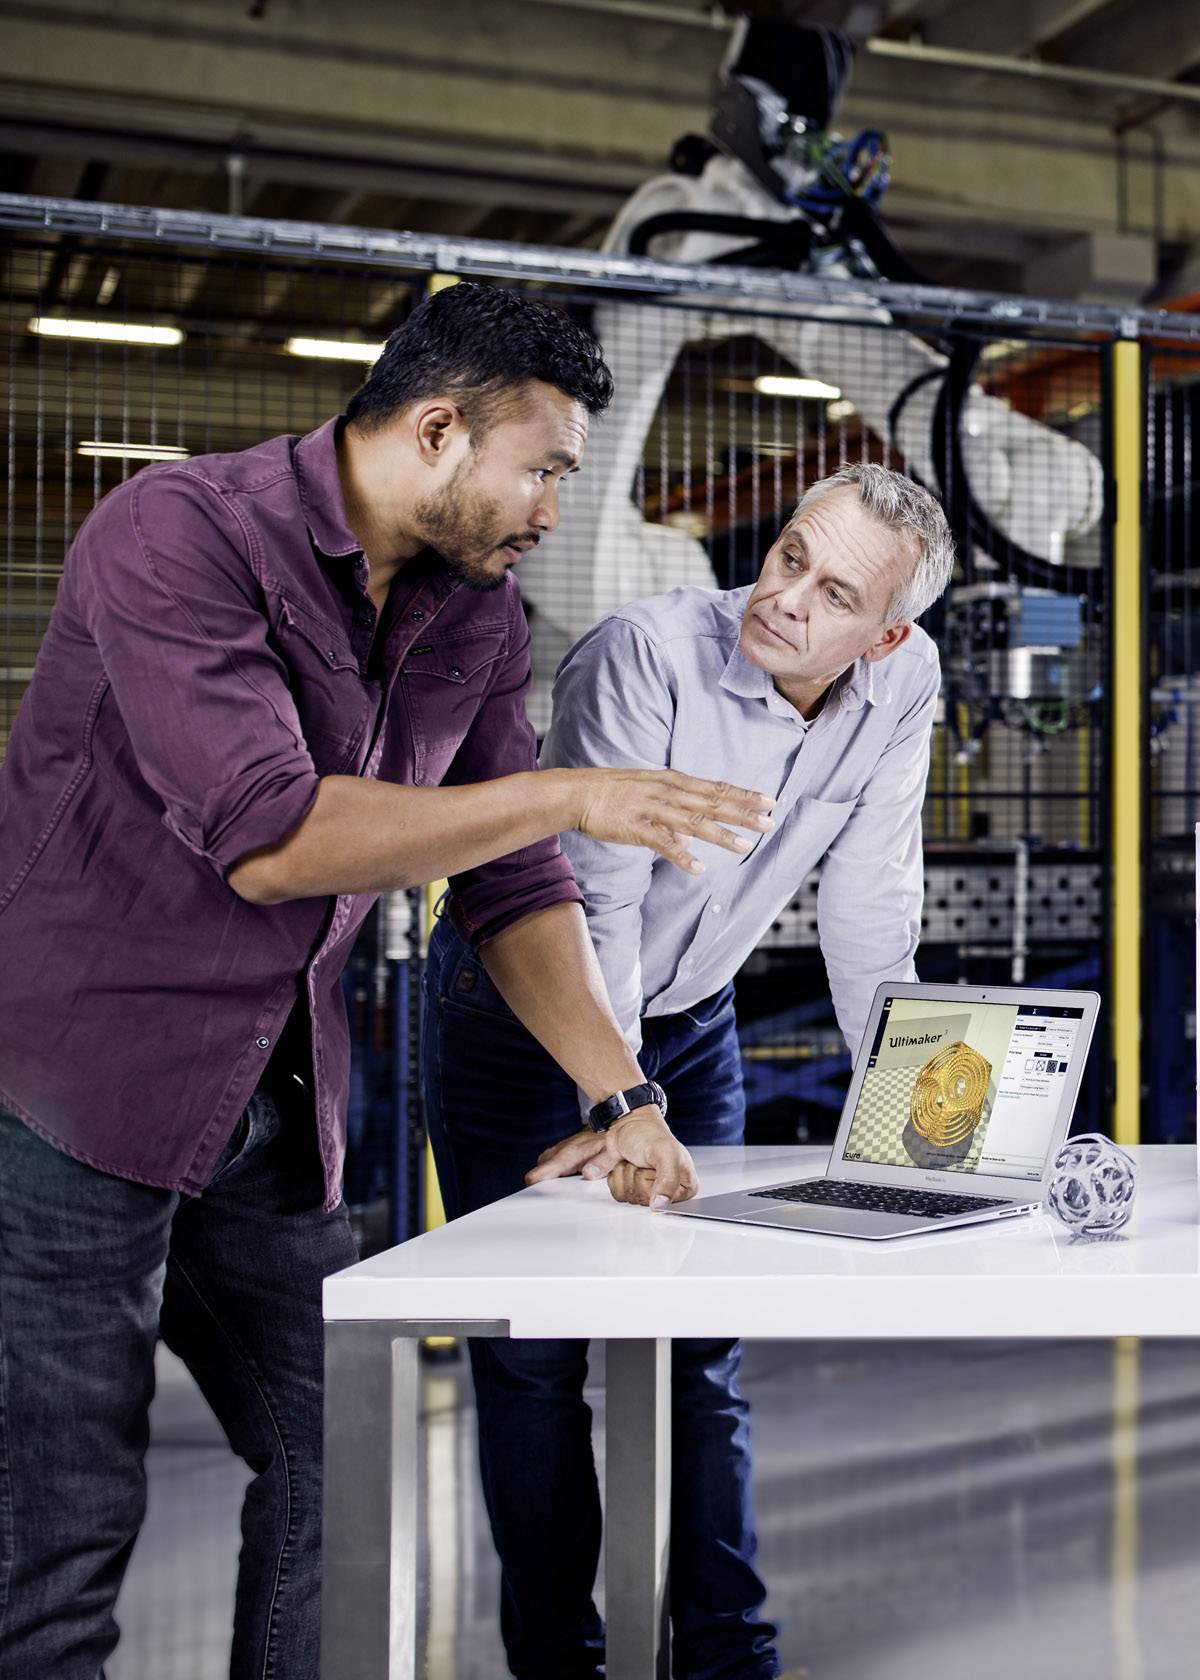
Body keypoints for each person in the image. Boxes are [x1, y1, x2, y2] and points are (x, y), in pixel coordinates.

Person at [0, 282, 773, 1679]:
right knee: (62, 1528)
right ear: (434, 431)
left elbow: (513, 879)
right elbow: (273, 838)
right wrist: (574, 789)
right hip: (65, 1099)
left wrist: (626, 1091)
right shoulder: (178, 534)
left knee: (336, 1456)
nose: (555, 505)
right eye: (542, 467)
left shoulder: (470, 613)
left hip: (273, 1103)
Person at [421, 461, 952, 1680]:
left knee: (696, 1355)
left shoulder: (901, 685)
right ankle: (558, 1664)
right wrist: (616, 1098)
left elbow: (871, 899)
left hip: (692, 1023)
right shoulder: (642, 657)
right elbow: (585, 904)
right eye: (789, 558)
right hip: (527, 1013)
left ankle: (727, 1658)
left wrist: (910, 1112)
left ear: (888, 634)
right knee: (536, 1359)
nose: (788, 600)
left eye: (835, 595)